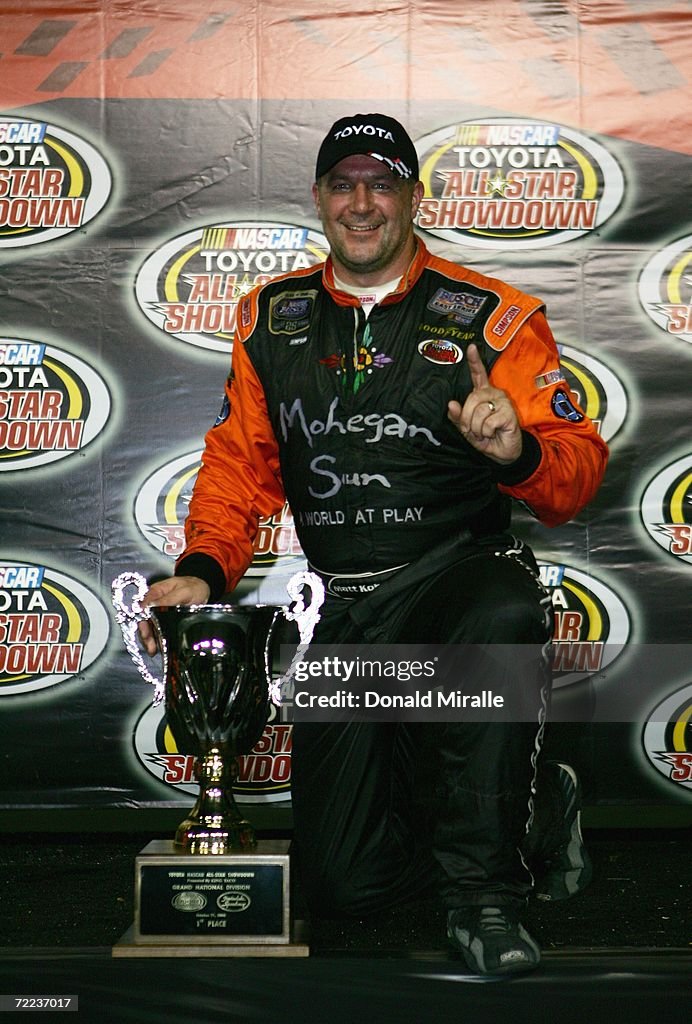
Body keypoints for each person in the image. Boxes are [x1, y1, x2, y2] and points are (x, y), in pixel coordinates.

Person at [140, 113, 608, 975]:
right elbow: (240, 468)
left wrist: (519, 450)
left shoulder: (494, 318)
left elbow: (576, 473)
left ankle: (487, 897)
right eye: (344, 183)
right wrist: (204, 569)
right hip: (349, 607)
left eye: (382, 183)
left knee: (499, 608)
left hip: (457, 578)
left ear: (413, 199)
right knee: (346, 884)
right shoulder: (270, 318)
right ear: (320, 198)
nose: (363, 203)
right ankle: (534, 801)